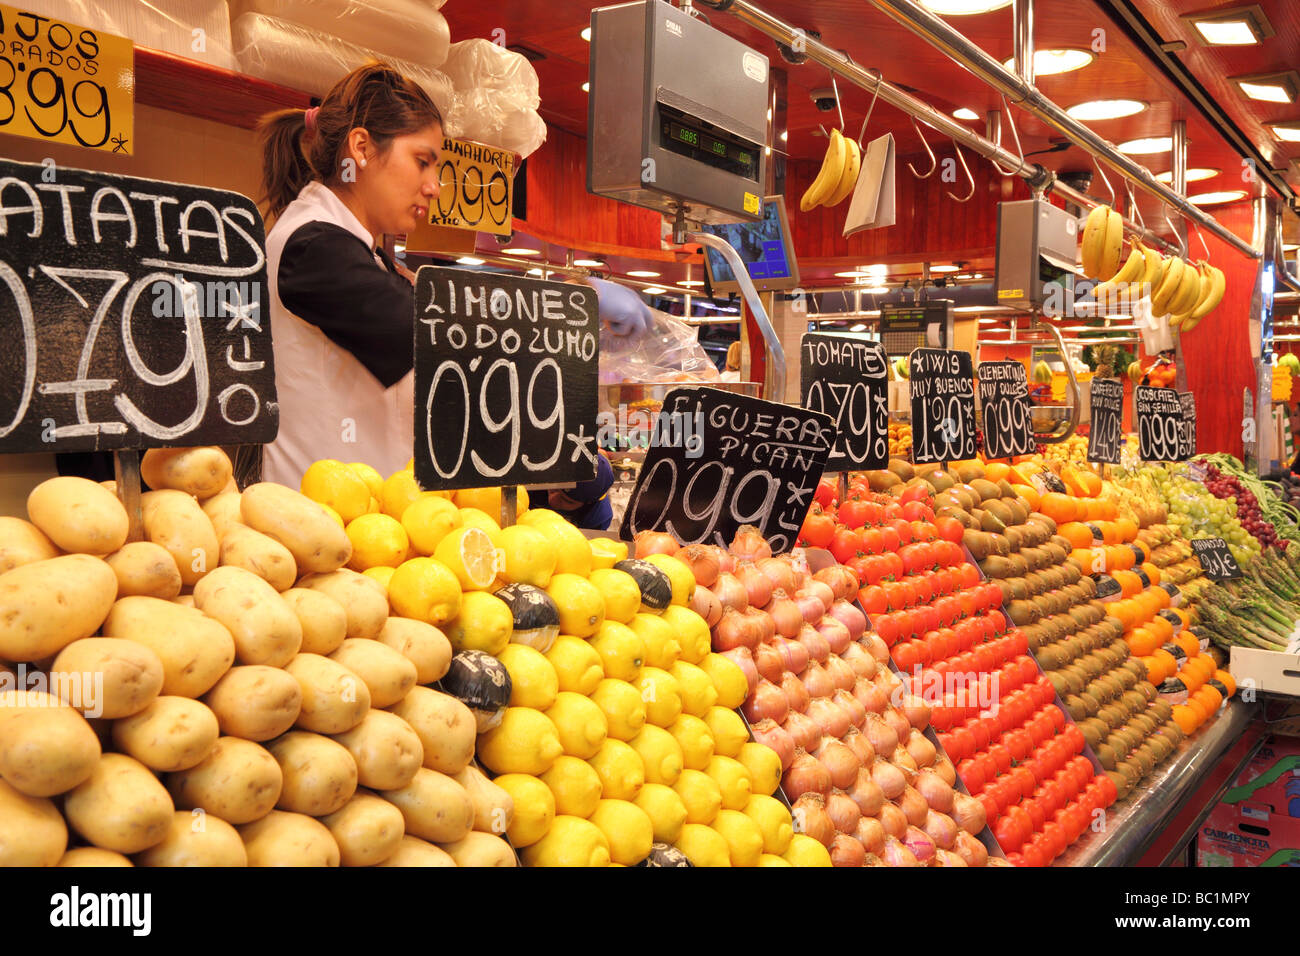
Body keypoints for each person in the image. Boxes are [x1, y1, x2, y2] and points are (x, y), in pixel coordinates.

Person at [256, 63, 444, 487]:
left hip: (371, 522)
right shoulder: (313, 246)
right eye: (422, 162)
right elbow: (427, 335)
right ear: (360, 147)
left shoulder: (357, 248)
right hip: (322, 528)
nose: (434, 186)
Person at [547, 453, 615, 531]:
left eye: (567, 501)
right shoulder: (537, 478)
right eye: (553, 489)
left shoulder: (598, 519)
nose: (552, 500)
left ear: (589, 503)